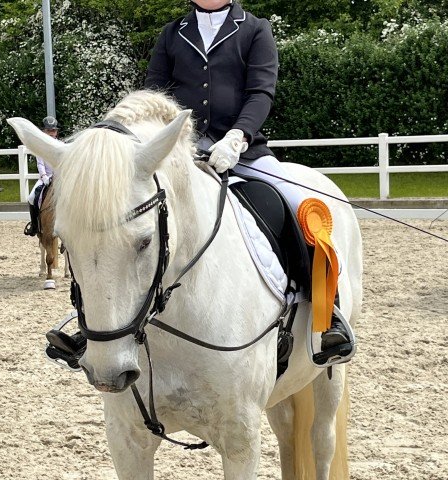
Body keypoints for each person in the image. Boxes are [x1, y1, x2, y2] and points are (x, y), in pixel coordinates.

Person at [145, 0, 353, 362]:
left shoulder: (255, 29)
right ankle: (93, 322)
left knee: (298, 203)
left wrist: (238, 135)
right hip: (182, 154)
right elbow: (154, 97)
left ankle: (327, 314)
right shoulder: (172, 34)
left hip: (244, 150)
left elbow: (260, 91)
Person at [24, 116, 59, 236]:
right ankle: (34, 226)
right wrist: (44, 177)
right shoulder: (40, 147)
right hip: (46, 177)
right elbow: (40, 163)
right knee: (31, 198)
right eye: (49, 131)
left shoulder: (61, 145)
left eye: (53, 131)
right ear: (43, 131)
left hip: (59, 178)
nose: (51, 133)